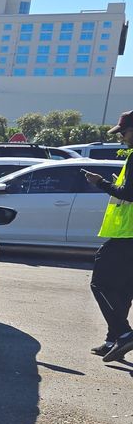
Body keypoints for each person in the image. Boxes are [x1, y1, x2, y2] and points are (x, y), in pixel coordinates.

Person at [85, 110, 133, 362]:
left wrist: (101, 182)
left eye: (124, 132)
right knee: (123, 289)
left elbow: (129, 195)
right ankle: (114, 340)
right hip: (129, 237)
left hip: (128, 236)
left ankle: (124, 334)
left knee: (100, 283)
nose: (122, 137)